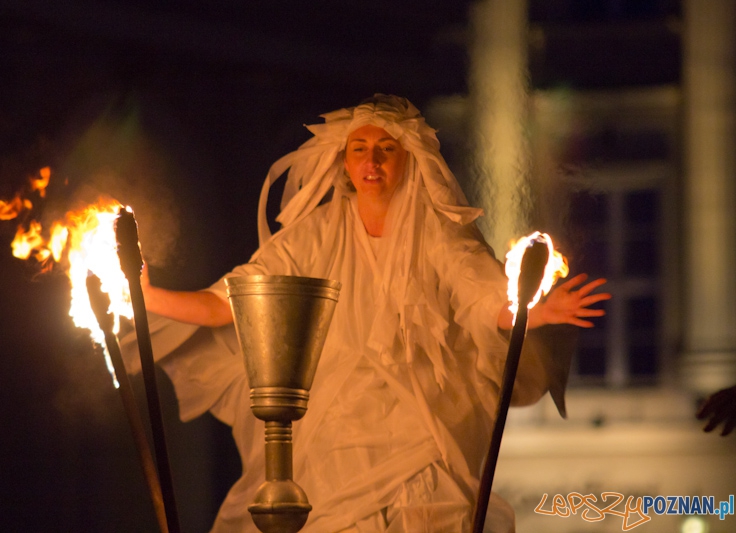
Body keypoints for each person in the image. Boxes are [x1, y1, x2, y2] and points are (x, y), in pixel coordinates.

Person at [121, 95, 609, 532]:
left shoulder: (437, 231)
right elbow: (232, 301)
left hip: (419, 425)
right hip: (336, 428)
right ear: (343, 160)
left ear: (408, 158)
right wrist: (145, 297)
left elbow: (481, 296)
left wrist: (534, 311)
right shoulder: (314, 234)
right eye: (359, 149)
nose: (371, 161)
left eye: (386, 149)